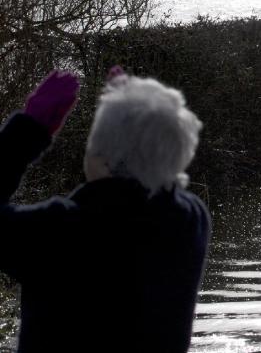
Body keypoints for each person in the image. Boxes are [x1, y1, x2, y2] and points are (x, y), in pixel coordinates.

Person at [0, 67, 210, 353]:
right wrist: (143, 114)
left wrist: (25, 134)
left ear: (101, 156)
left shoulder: (60, 230)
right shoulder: (190, 220)